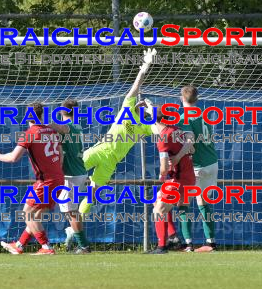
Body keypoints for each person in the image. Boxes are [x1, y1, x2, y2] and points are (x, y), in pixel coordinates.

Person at [79, 49, 156, 214]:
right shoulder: (126, 109)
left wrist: (152, 110)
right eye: (141, 101)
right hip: (99, 151)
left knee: (92, 194)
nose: (141, 102)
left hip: (111, 162)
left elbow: (160, 126)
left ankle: (74, 227)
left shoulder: (144, 127)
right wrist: (145, 66)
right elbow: (136, 86)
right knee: (69, 171)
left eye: (144, 104)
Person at [0, 102, 64, 255]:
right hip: (58, 178)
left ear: (28, 117)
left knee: (27, 213)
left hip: (46, 181)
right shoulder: (53, 132)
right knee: (35, 216)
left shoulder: (29, 133)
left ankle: (46, 248)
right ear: (42, 115)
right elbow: (61, 156)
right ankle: (20, 245)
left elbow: (13, 157)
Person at [176, 86, 220, 252]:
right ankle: (210, 242)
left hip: (198, 166)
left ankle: (187, 244)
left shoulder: (184, 117)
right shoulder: (205, 116)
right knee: (203, 202)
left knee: (183, 201)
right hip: (212, 163)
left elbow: (190, 142)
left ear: (182, 98)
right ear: (197, 99)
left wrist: (178, 157)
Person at [148, 108, 195, 254]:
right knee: (156, 201)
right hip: (187, 176)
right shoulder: (176, 129)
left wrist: (162, 176)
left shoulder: (162, 138)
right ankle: (173, 237)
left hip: (180, 179)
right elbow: (192, 148)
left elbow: (163, 168)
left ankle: (161, 246)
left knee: (158, 210)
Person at [49, 98, 90, 254]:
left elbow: (62, 128)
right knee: (71, 211)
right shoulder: (77, 125)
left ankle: (83, 246)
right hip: (76, 172)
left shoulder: (70, 126)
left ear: (62, 111)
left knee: (71, 211)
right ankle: (77, 238)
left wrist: (40, 124)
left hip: (72, 174)